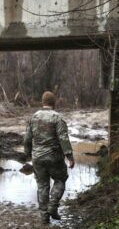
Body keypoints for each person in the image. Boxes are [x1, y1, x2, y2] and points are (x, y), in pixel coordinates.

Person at [24, 91, 75, 224]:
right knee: (60, 179)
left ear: (42, 102)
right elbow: (63, 138)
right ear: (54, 103)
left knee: (42, 185)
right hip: (54, 157)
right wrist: (70, 156)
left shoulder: (33, 117)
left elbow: (27, 138)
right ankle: (53, 206)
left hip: (38, 157)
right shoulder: (58, 118)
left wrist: (28, 153)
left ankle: (44, 216)